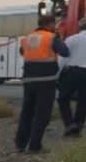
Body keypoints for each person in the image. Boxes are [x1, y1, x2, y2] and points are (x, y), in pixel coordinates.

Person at [14, 14, 70, 154]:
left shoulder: (27, 38)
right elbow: (65, 52)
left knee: (27, 112)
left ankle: (20, 143)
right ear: (50, 24)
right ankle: (35, 145)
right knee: (42, 114)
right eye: (54, 24)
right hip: (46, 81)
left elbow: (23, 52)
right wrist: (59, 38)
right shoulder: (51, 37)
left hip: (28, 80)